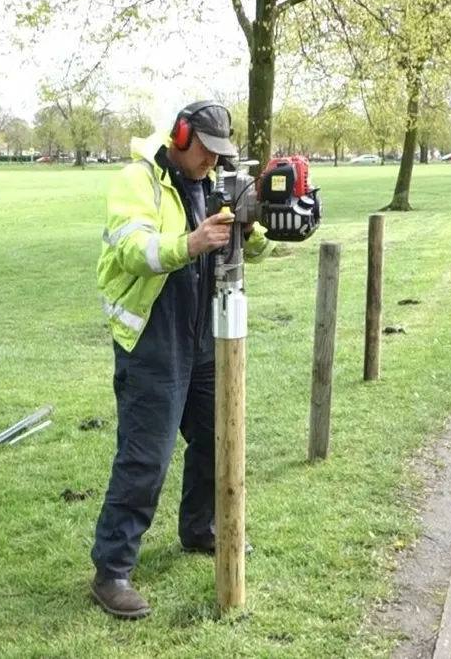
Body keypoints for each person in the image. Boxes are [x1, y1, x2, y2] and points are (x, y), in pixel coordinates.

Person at [89, 100, 275, 619]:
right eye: (206, 151)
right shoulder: (138, 180)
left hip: (201, 337)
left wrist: (258, 223)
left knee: (218, 438)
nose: (213, 163)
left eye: (221, 155)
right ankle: (112, 570)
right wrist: (191, 243)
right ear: (181, 134)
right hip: (152, 340)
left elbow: (253, 250)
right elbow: (134, 250)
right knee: (146, 457)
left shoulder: (213, 185)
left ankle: (200, 529)